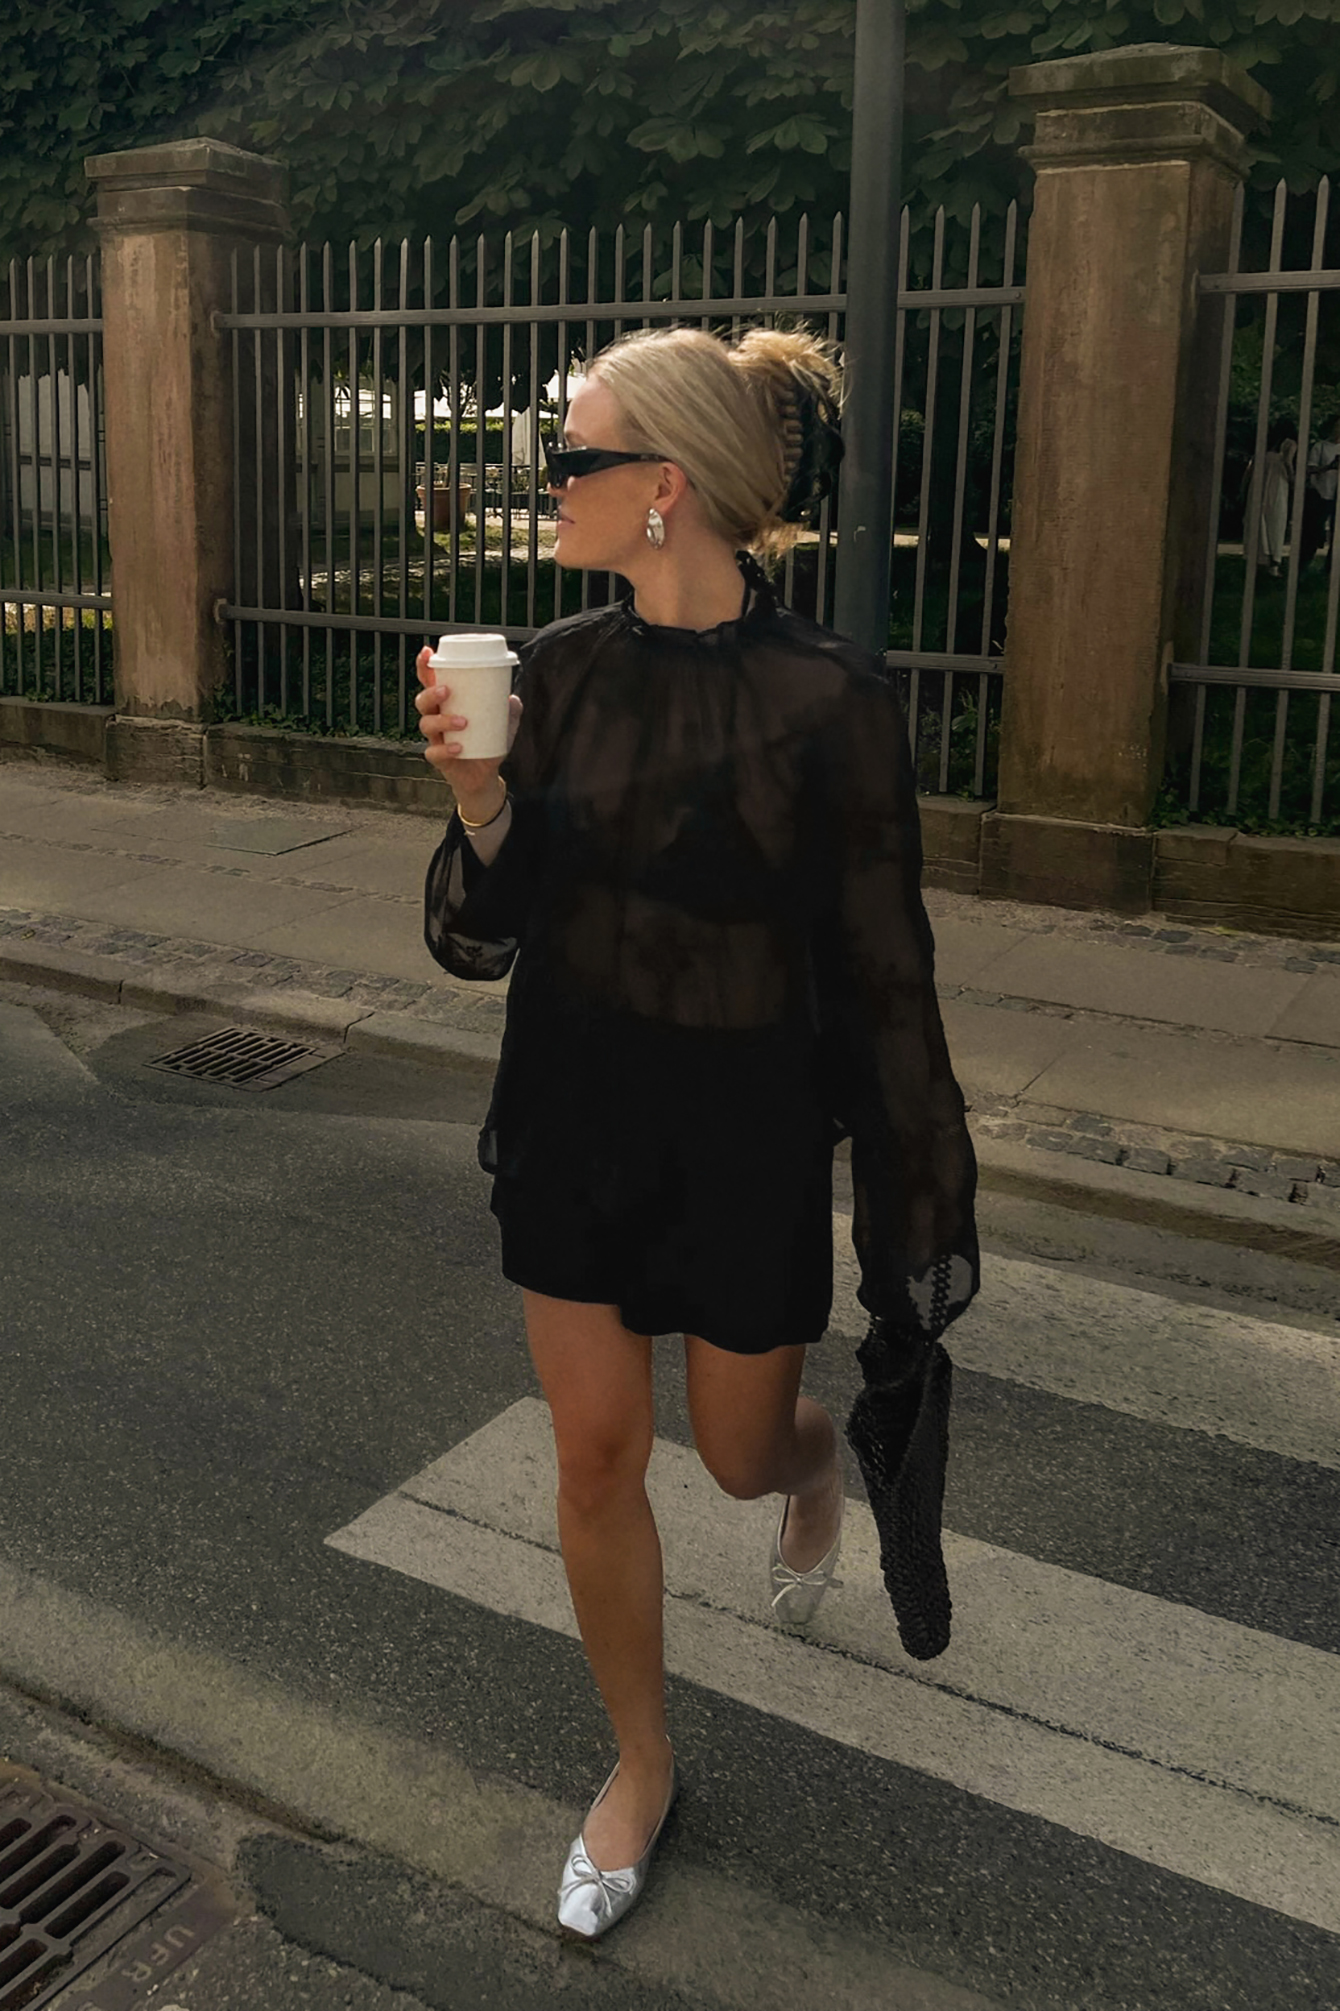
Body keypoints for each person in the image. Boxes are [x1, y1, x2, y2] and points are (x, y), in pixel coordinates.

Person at [416, 326, 978, 1940]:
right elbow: (488, 929)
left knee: (735, 1451)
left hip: (744, 1136)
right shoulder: (554, 671)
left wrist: (915, 1211)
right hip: (573, 1113)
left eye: (572, 459)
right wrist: (478, 802)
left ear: (662, 485)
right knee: (596, 1454)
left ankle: (815, 1468)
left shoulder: (833, 701)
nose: (549, 485)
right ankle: (643, 1762)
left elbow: (884, 973)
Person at [1249, 422, 1296, 577]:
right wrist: (1293, 479)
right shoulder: (1289, 444)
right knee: (1276, 524)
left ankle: (1260, 560)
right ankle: (1274, 564)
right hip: (1278, 487)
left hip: (1260, 487)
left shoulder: (1265, 447)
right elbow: (1288, 463)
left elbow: (1251, 468)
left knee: (1260, 523)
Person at [1301, 413, 1340, 567]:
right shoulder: (1320, 446)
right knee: (1313, 531)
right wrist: (1329, 467)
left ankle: (1330, 567)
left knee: (1336, 534)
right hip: (1321, 494)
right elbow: (1310, 469)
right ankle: (1305, 562)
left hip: (1337, 496)